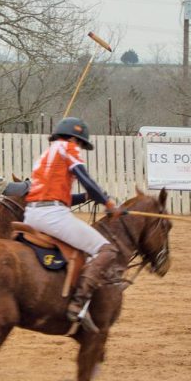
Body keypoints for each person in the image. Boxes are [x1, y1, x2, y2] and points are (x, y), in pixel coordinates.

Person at [24, 117, 122, 325]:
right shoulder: (68, 147)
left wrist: (87, 198)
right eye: (80, 143)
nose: (79, 147)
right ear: (73, 138)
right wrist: (107, 202)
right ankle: (79, 304)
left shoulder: (46, 154)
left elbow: (58, 195)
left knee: (82, 250)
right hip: (52, 215)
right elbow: (85, 178)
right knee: (106, 250)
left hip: (31, 214)